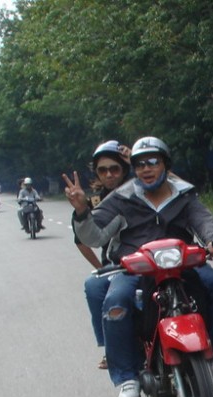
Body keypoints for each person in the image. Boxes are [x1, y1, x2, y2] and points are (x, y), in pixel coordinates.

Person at [63, 136, 213, 397]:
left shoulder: (183, 194)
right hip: (136, 269)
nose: (146, 169)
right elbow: (95, 236)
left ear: (165, 165)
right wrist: (81, 211)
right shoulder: (121, 198)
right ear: (134, 170)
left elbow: (202, 219)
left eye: (152, 162)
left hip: (181, 264)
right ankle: (127, 375)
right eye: (139, 164)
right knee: (115, 302)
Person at [78, 140, 134, 369]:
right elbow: (82, 240)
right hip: (117, 263)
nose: (109, 174)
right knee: (94, 285)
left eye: (115, 168)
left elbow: (175, 186)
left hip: (152, 255)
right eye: (103, 170)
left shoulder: (143, 187)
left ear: (125, 168)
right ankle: (110, 348)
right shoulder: (93, 201)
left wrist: (139, 160)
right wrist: (101, 267)